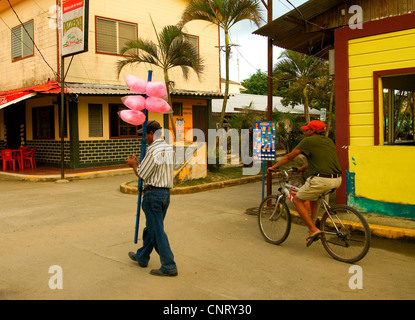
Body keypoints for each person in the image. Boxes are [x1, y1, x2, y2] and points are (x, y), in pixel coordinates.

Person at [267, 120, 342, 247]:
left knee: (297, 200)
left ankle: (313, 230)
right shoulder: (328, 141)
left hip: (320, 180)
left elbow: (290, 157)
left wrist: (274, 167)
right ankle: (313, 223)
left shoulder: (308, 141)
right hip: (337, 179)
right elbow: (320, 161)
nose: (305, 131)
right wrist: (301, 169)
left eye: (307, 129)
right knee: (313, 197)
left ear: (313, 131)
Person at [126, 120, 178, 276]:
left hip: (153, 195)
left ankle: (169, 265)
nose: (145, 139)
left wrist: (134, 164)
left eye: (145, 135)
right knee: (152, 228)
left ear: (150, 134)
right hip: (165, 195)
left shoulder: (152, 150)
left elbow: (142, 173)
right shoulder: (169, 149)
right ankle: (142, 256)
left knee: (157, 231)